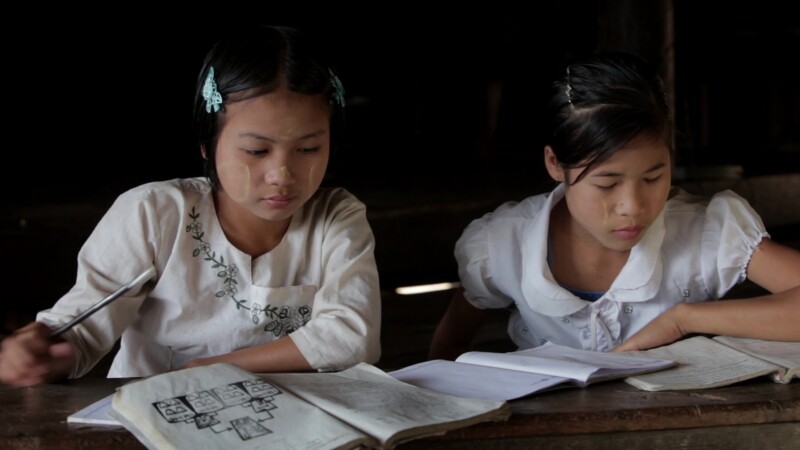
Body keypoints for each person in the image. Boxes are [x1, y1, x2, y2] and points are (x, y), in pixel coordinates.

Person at [0, 26, 381, 387]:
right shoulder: (155, 214)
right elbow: (81, 329)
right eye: (256, 150)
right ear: (206, 145)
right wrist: (48, 353)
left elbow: (351, 337)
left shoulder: (337, 218)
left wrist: (208, 367)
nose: (282, 174)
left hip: (289, 423)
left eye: (308, 149)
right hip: (156, 417)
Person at [429, 52, 800, 360]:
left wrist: (684, 319)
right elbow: (449, 350)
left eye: (653, 178)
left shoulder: (706, 233)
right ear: (555, 164)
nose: (632, 206)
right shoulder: (501, 245)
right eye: (607, 184)